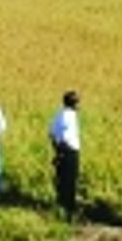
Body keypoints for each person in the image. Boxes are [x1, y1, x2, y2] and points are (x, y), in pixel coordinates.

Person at [48, 90, 81, 221]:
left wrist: (57, 150)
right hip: (69, 152)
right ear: (73, 103)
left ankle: (62, 208)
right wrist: (64, 150)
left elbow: (51, 134)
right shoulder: (70, 116)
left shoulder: (59, 114)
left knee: (62, 181)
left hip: (62, 151)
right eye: (77, 102)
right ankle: (69, 212)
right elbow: (65, 138)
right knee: (70, 182)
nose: (79, 105)